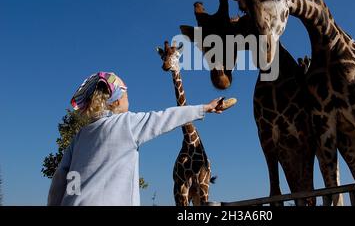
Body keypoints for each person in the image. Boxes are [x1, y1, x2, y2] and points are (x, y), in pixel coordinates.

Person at [47, 72, 224, 206]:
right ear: (115, 101)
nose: (128, 100)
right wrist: (204, 108)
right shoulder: (127, 124)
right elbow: (164, 117)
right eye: (126, 96)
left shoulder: (80, 136)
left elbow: (63, 177)